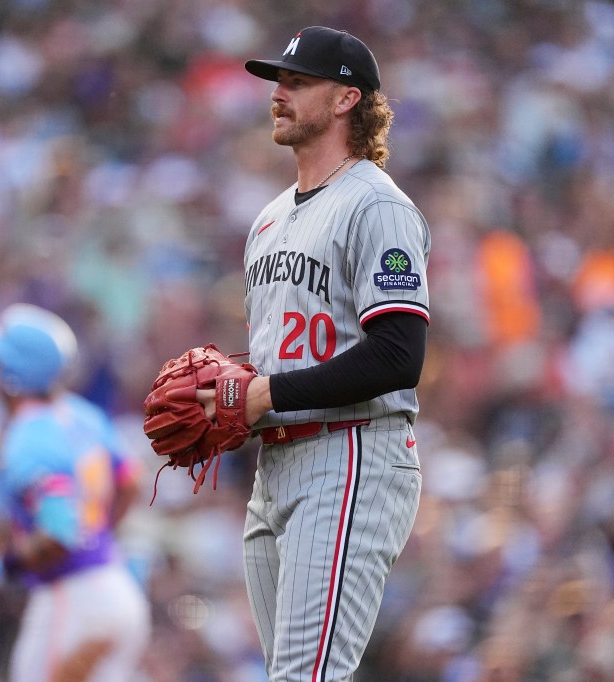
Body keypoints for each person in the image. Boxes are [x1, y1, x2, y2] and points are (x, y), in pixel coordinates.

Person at [205, 26, 431, 681]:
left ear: (345, 100)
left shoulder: (377, 206)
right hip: (276, 468)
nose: (278, 93)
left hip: (352, 453)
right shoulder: (269, 219)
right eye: (279, 81)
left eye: (298, 82)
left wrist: (265, 395)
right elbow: (279, 361)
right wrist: (230, 401)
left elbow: (397, 357)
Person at [0, 303, 150, 682]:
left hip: (74, 600)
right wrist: (97, 534)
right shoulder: (84, 415)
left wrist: (0, 568)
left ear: (11, 376)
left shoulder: (28, 435)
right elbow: (131, 481)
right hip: (118, 592)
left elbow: (59, 532)